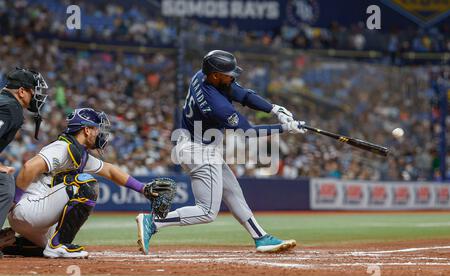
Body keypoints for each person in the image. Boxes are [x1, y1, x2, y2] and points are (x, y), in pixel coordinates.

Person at [136, 50, 306, 254]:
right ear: (216, 75)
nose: (232, 76)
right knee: (207, 211)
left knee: (233, 191)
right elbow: (248, 131)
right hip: (197, 150)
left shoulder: (201, 76)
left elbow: (243, 95)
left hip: (197, 145)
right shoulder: (216, 104)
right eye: (228, 73)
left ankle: (261, 237)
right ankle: (153, 221)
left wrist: (274, 109)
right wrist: (285, 128)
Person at [5, 107, 171, 258]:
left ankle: (11, 243)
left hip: (33, 220)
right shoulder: (62, 147)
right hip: (29, 210)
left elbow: (110, 170)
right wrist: (13, 202)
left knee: (42, 249)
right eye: (96, 128)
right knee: (85, 184)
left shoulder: (79, 154)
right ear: (86, 130)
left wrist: (143, 189)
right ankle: (59, 244)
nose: (100, 133)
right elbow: (29, 167)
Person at [0, 68, 48, 259]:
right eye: (32, 91)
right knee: (4, 184)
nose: (36, 96)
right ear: (21, 91)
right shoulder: (10, 107)